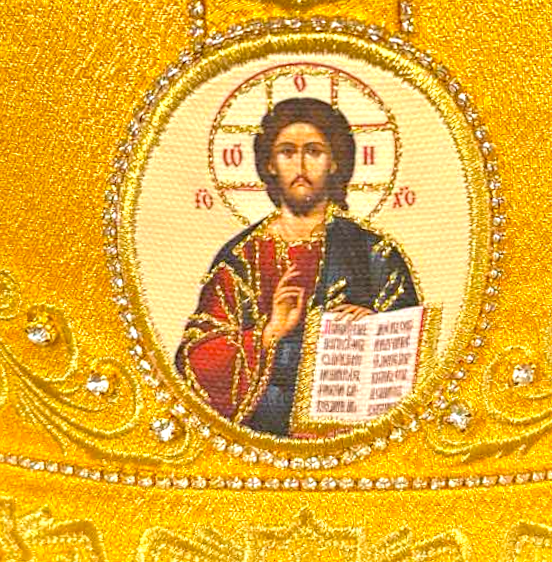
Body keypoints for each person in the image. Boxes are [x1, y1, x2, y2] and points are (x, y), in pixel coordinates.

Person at [176, 96, 420, 435]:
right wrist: (269, 333)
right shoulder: (241, 257)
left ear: (334, 162)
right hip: (259, 433)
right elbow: (195, 359)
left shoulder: (373, 252)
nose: (301, 165)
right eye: (287, 152)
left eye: (314, 152)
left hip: (350, 430)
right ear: (270, 164)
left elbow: (412, 349)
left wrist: (376, 329)